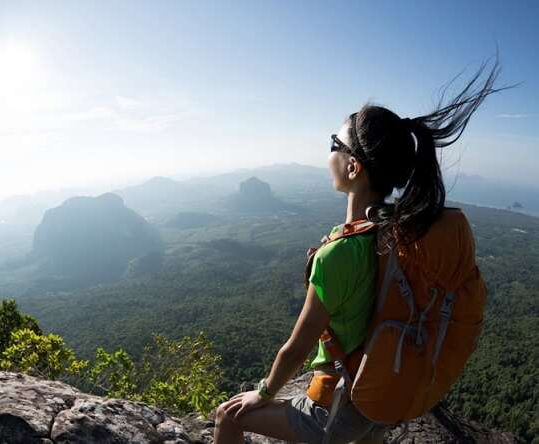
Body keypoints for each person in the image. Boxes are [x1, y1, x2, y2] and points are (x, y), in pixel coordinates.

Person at [213, 59, 507, 444]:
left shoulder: (339, 254)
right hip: (378, 397)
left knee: (227, 417)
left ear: (352, 167)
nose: (328, 152)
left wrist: (264, 393)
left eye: (333, 144)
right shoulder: (396, 235)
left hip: (335, 407)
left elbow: (297, 348)